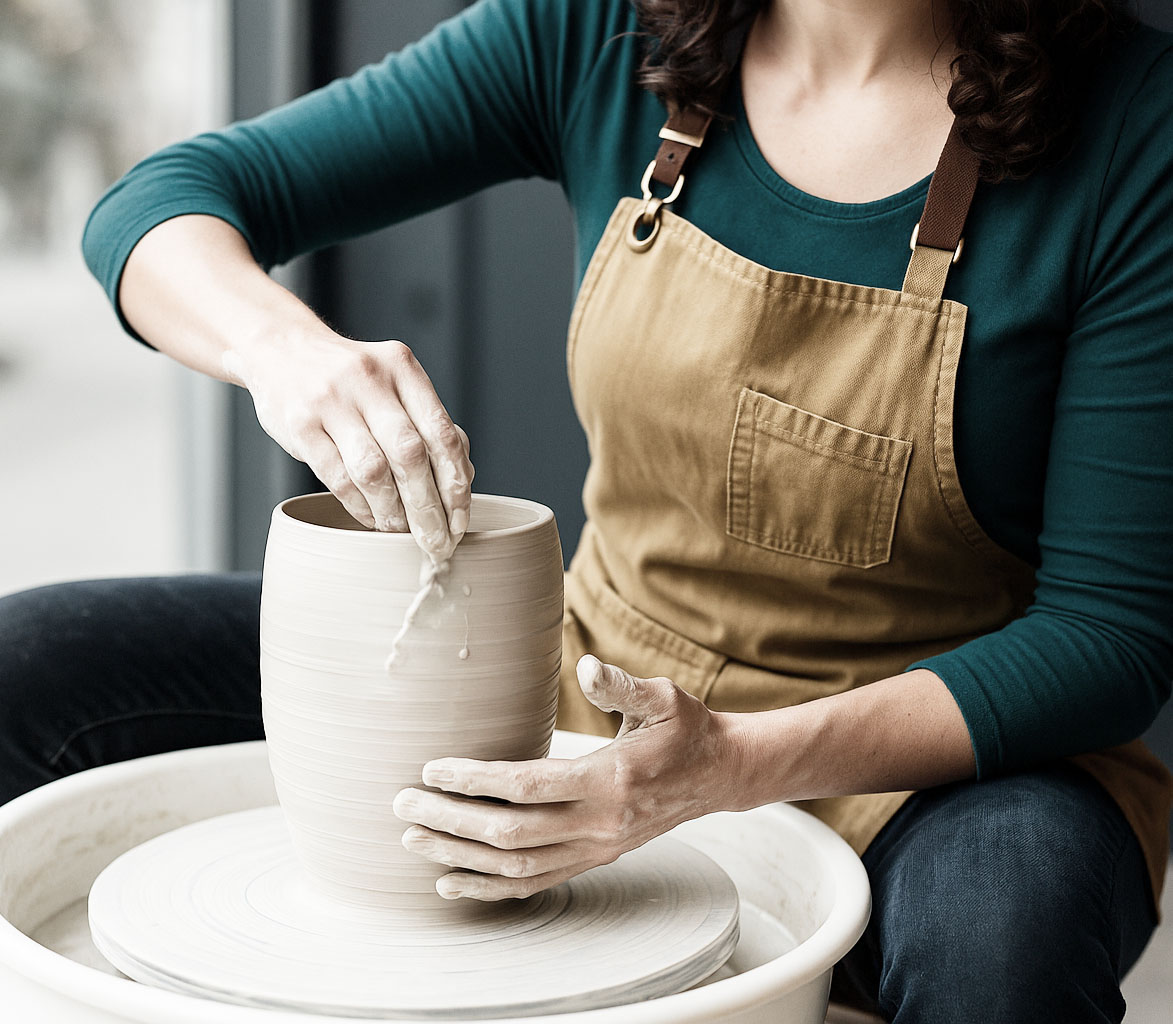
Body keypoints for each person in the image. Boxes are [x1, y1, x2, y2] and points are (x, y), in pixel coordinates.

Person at [3, 0, 1172, 1020]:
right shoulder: (601, 30)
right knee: (33, 667)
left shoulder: (1133, 127)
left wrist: (731, 766)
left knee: (1002, 941)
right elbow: (158, 204)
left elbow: (1109, 637)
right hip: (590, 678)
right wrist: (284, 353)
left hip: (938, 758)